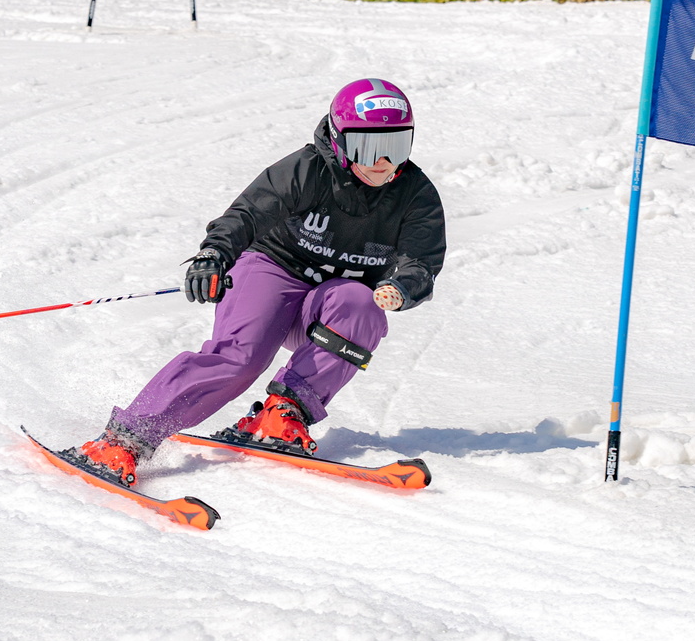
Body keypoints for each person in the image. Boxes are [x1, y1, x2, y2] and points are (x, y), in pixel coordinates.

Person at [69, 78, 446, 486]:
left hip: (327, 303)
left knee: (362, 305)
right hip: (272, 271)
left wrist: (405, 285)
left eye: (395, 147)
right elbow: (248, 214)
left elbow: (421, 259)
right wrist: (214, 255)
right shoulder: (307, 170)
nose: (382, 163)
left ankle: (283, 412)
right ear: (339, 140)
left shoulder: (415, 194)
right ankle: (126, 438)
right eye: (369, 148)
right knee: (241, 358)